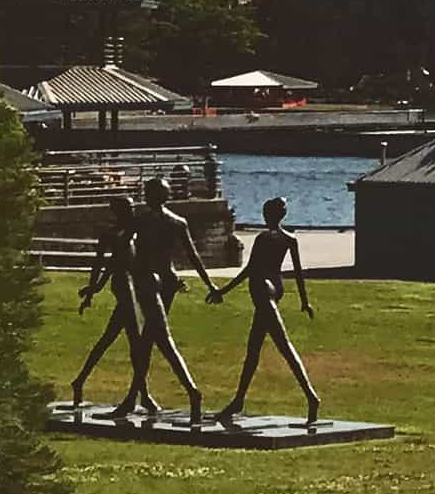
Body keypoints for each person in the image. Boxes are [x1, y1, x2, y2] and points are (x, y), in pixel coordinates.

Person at [111, 176, 224, 422]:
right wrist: (210, 284)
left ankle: (193, 393)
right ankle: (133, 397)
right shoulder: (177, 222)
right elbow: (193, 257)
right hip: (167, 281)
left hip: (149, 282)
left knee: (162, 341)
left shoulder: (141, 221)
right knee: (147, 342)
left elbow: (121, 246)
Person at [206, 196, 320, 425]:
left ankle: (311, 397)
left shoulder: (264, 238)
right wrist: (304, 301)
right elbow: (297, 273)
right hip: (275, 289)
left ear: (269, 215)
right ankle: (238, 400)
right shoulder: (290, 239)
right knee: (253, 350)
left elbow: (250, 269)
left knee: (284, 346)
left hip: (262, 290)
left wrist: (223, 290)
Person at [68, 193, 143, 405]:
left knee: (112, 339)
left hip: (133, 288)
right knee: (136, 341)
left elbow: (114, 262)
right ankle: (143, 395)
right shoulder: (113, 234)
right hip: (124, 288)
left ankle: (80, 380)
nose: (132, 211)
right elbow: (100, 264)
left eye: (133, 208)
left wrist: (97, 288)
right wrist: (93, 290)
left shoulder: (133, 233)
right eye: (128, 208)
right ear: (118, 212)